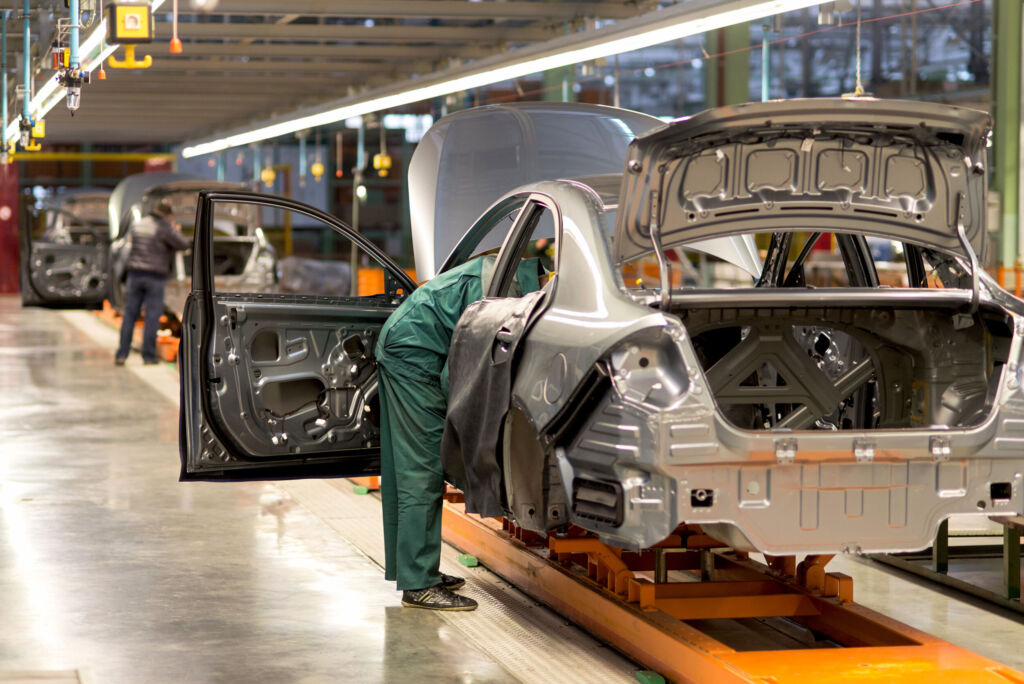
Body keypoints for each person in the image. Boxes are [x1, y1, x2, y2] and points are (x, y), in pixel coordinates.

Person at [375, 254, 542, 611]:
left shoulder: (512, 275)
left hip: (410, 342)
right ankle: (418, 584)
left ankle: (413, 570)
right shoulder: (509, 296)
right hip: (413, 353)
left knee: (406, 470)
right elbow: (464, 370)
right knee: (421, 470)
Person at [114, 199, 189, 365]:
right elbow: (183, 244)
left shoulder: (139, 224)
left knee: (129, 315)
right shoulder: (164, 227)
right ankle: (148, 356)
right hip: (155, 277)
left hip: (134, 275)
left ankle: (121, 354)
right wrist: (176, 230)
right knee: (152, 317)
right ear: (168, 215)